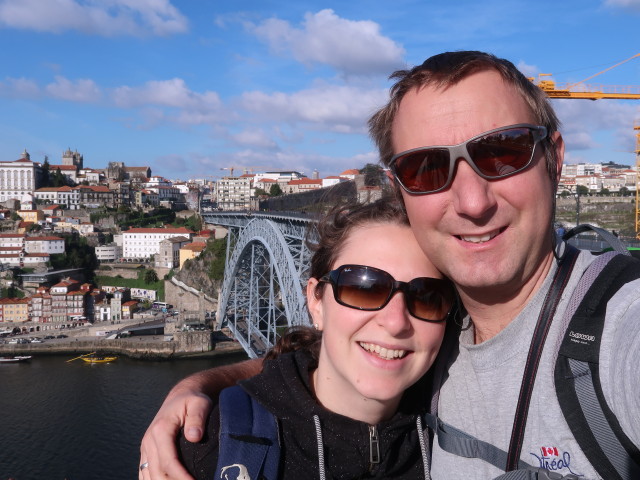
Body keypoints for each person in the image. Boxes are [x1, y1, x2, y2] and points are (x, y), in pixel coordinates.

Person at [140, 51, 640, 480]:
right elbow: (326, 357)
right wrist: (202, 386)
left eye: (502, 153)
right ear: (401, 190)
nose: (471, 201)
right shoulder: (438, 331)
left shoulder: (618, 329)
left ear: (554, 159)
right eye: (428, 169)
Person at [175, 199, 456, 479]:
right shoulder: (210, 448)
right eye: (363, 287)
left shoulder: (462, 437)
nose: (395, 322)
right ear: (316, 300)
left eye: (426, 297)